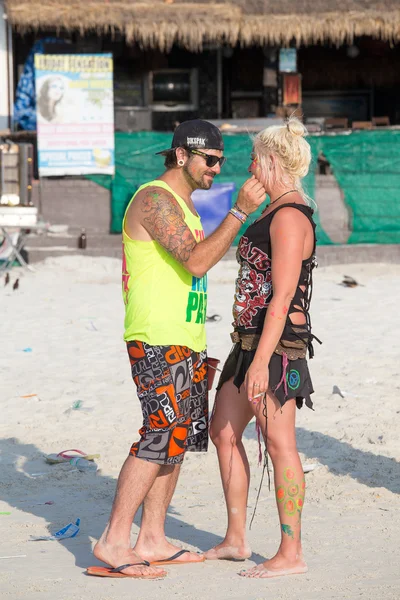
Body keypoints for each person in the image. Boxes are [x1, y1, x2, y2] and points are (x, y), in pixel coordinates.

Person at [87, 119, 267, 579]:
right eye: (210, 160)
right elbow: (196, 259)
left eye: (221, 161)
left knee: (178, 437)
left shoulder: (185, 205)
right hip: (154, 337)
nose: (216, 168)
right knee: (158, 432)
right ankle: (114, 539)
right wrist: (238, 211)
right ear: (182, 156)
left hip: (184, 339)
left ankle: (152, 536)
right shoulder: (153, 199)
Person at [205, 116, 320, 579]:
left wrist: (260, 364)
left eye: (255, 158)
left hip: (276, 347)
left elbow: (282, 297)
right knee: (224, 432)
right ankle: (236, 539)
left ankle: (290, 552)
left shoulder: (291, 217)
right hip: (248, 341)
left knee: (278, 442)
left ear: (272, 162)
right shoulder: (271, 211)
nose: (249, 165)